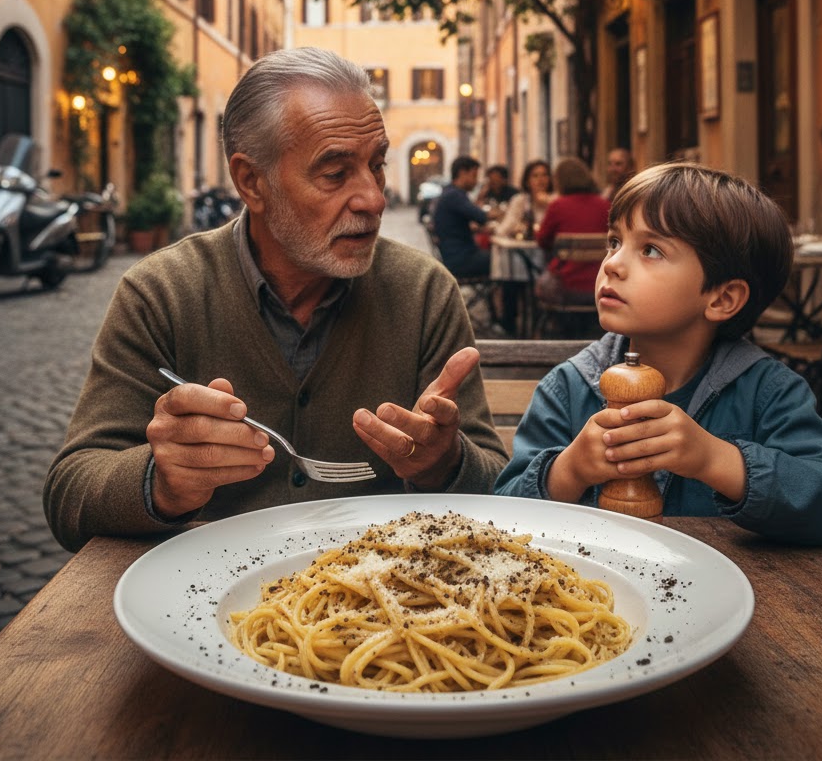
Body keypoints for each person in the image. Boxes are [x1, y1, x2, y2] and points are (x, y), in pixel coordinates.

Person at [43, 48, 507, 552]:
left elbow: (497, 484)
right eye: (335, 174)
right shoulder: (162, 293)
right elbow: (71, 494)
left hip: (382, 605)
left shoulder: (422, 291)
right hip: (202, 599)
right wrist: (160, 483)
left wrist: (446, 463)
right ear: (251, 182)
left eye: (377, 166)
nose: (373, 198)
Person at [495, 162, 822, 551]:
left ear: (722, 298)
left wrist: (715, 460)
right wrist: (569, 470)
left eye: (651, 250)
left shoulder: (768, 393)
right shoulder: (569, 387)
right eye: (614, 241)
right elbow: (503, 514)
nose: (612, 264)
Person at [534, 157, 610, 307]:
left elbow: (542, 241)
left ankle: (551, 325)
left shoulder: (557, 206)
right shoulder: (605, 205)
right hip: (601, 283)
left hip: (565, 286)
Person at [432, 155, 497, 278]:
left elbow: (465, 223)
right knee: (505, 260)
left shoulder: (450, 192)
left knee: (500, 258)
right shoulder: (454, 195)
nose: (476, 181)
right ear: (462, 173)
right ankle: (505, 297)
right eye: (474, 175)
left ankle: (496, 296)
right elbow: (481, 217)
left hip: (454, 256)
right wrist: (500, 213)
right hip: (461, 260)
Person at [497, 159, 555, 239]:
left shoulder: (556, 200)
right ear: (527, 181)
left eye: (545, 175)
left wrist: (548, 203)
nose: (541, 179)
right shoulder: (520, 200)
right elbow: (502, 230)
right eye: (535, 176)